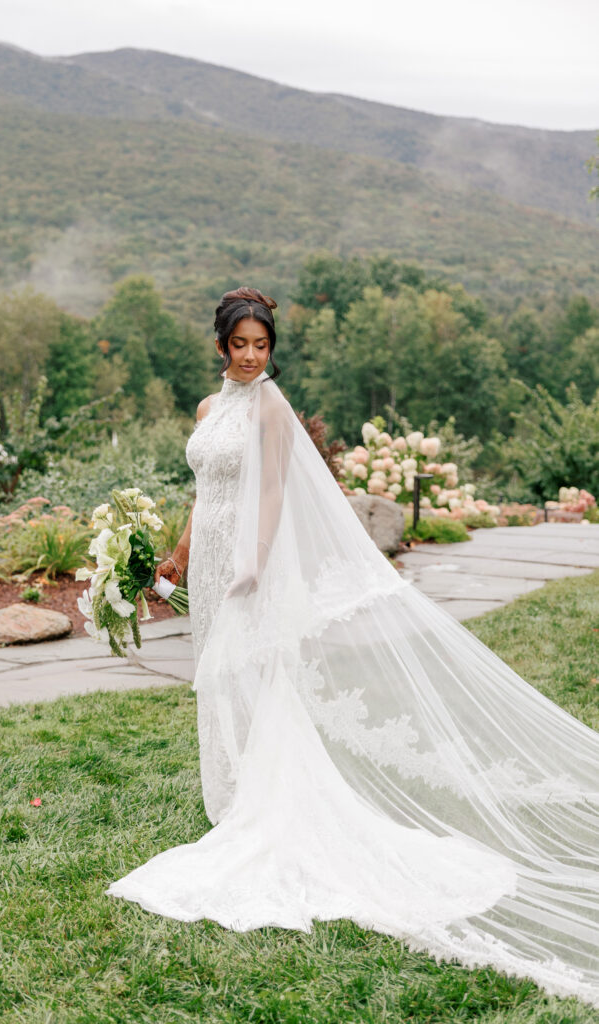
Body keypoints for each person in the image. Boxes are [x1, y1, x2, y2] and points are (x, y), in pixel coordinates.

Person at [107, 287, 599, 1008]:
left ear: (270, 349)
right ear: (219, 346)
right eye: (239, 345)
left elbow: (270, 493)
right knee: (218, 675)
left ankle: (266, 800)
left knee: (258, 676)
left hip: (251, 566)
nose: (249, 356)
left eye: (260, 346)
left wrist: (255, 559)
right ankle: (235, 791)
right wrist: (179, 559)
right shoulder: (211, 411)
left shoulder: (271, 409)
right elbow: (202, 492)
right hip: (210, 561)